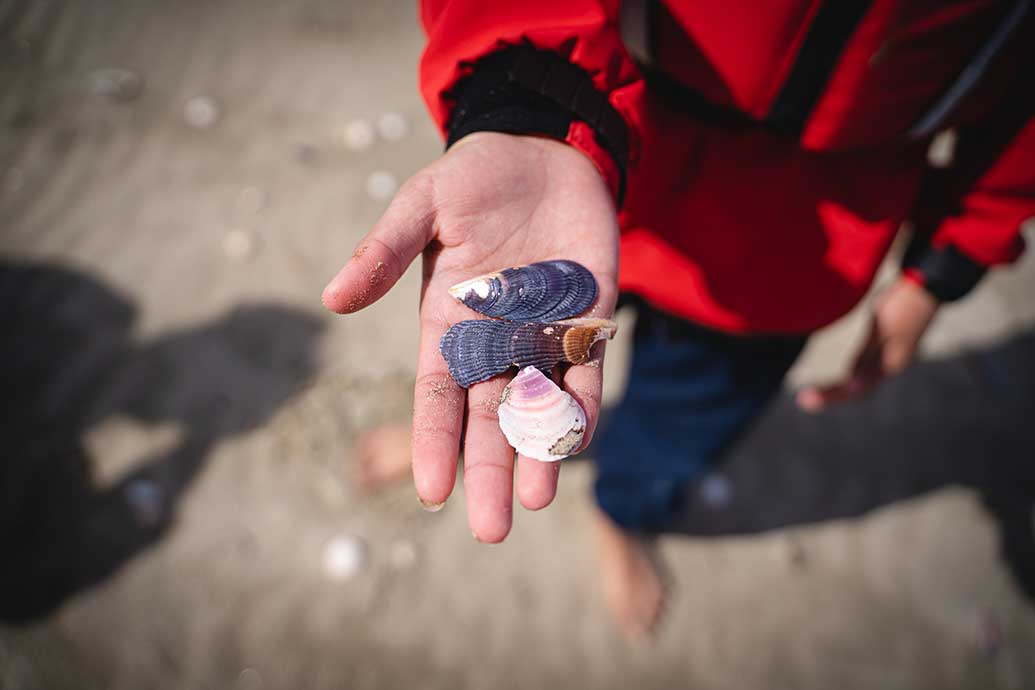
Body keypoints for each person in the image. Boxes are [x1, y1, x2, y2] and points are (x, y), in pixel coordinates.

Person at [323, 1, 1035, 639]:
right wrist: (526, 101)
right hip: (604, 160)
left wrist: (940, 267)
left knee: (681, 424)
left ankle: (620, 512)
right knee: (504, 365)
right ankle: (462, 440)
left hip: (799, 248)